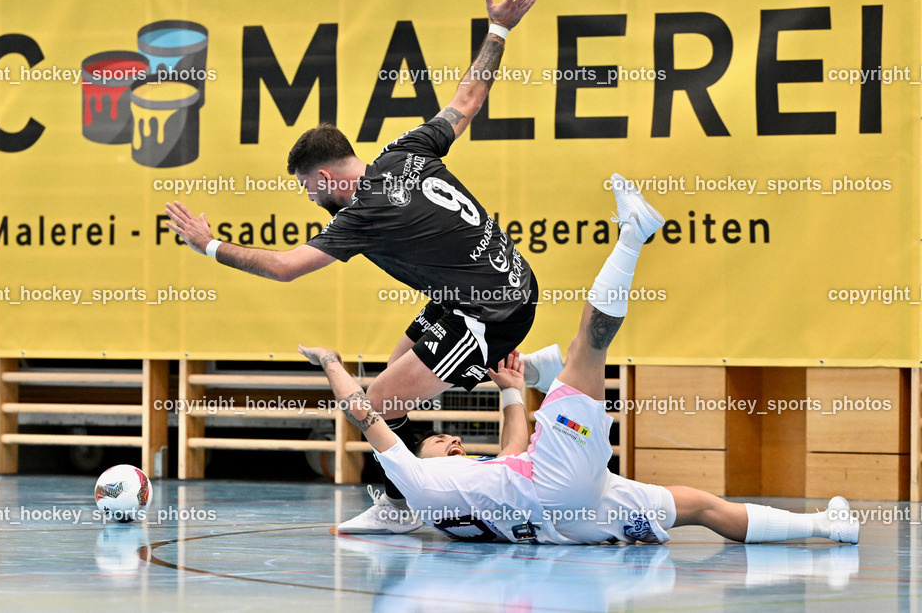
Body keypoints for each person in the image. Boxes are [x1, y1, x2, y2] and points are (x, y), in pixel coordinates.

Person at [165, 0, 565, 533]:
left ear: (327, 177)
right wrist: (499, 29)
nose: (312, 200)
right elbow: (467, 100)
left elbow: (285, 268)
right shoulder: (405, 151)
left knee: (373, 404)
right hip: (498, 281)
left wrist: (208, 245)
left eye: (310, 189)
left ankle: (400, 508)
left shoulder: (362, 215)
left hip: (491, 313)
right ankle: (530, 366)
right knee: (393, 370)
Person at [299, 175, 860, 545]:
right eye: (438, 441)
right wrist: (330, 362)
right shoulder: (417, 479)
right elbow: (364, 414)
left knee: (699, 508)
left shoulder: (456, 492)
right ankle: (632, 237)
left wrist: (514, 391)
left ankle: (828, 528)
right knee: (587, 346)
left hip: (571, 520)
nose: (449, 441)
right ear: (407, 462)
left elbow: (511, 452)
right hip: (557, 484)